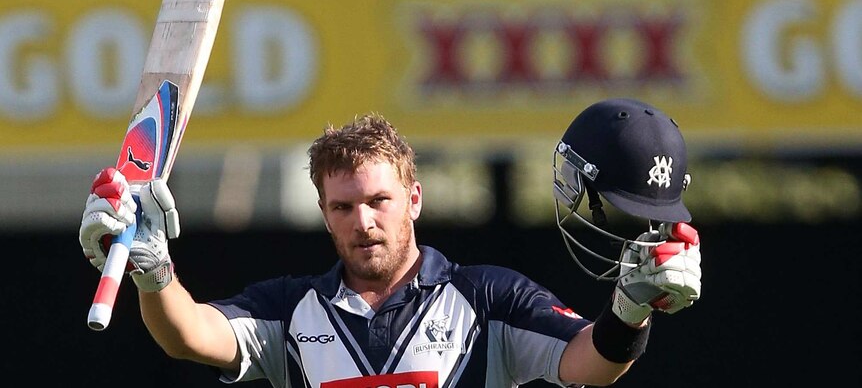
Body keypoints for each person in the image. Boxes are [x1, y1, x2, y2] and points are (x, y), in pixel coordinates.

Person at [79, 99, 702, 387]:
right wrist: (153, 270)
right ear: (325, 216)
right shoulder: (289, 310)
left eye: (378, 202)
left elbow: (588, 367)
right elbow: (188, 334)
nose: (363, 221)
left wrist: (630, 311)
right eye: (343, 207)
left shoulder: (486, 297)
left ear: (414, 200)